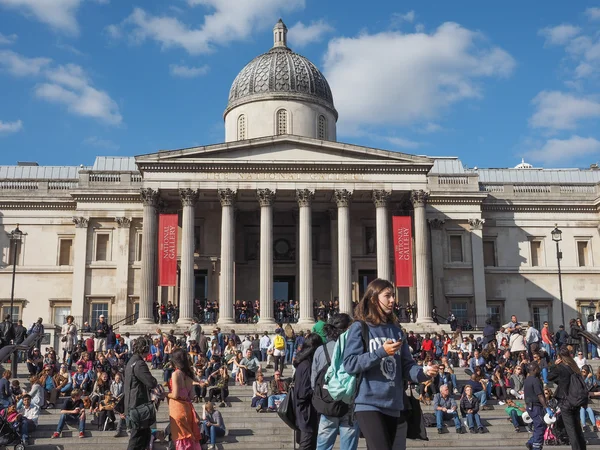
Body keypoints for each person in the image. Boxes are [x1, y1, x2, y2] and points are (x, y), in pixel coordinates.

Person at [343, 278, 437, 450]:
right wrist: (380, 352)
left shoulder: (396, 330)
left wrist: (424, 372)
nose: (393, 300)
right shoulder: (360, 327)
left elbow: (407, 366)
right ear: (373, 299)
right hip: (368, 403)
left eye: (393, 295)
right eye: (387, 296)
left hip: (393, 404)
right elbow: (350, 364)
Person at [310, 313, 358, 450]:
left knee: (323, 446)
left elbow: (314, 380)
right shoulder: (355, 348)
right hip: (350, 403)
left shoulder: (321, 350)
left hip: (328, 403)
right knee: (348, 446)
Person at [548, 347, 587, 450]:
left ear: (560, 357)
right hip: (576, 401)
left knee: (571, 430)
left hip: (565, 401)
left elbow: (549, 377)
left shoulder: (560, 368)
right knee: (578, 428)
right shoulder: (574, 367)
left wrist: (554, 365)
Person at [125, 337, 158, 450]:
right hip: (138, 407)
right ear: (145, 348)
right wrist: (155, 382)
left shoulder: (131, 361)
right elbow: (151, 382)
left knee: (144, 437)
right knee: (137, 439)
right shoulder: (139, 364)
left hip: (133, 404)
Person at [167, 348, 202, 450]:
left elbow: (175, 394)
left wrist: (165, 394)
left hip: (177, 409)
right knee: (190, 440)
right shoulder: (188, 375)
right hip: (188, 409)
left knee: (181, 440)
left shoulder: (176, 374)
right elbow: (191, 396)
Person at [293, 332, 322, 450]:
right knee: (307, 444)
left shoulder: (302, 364)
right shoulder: (306, 365)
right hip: (306, 413)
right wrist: (318, 392)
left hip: (303, 412)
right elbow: (303, 393)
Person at [523, 362, 549, 450]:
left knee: (541, 425)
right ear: (534, 370)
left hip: (530, 406)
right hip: (536, 406)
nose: (539, 370)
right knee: (540, 427)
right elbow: (540, 395)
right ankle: (536, 447)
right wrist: (546, 407)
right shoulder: (535, 380)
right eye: (538, 368)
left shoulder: (527, 380)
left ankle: (531, 442)